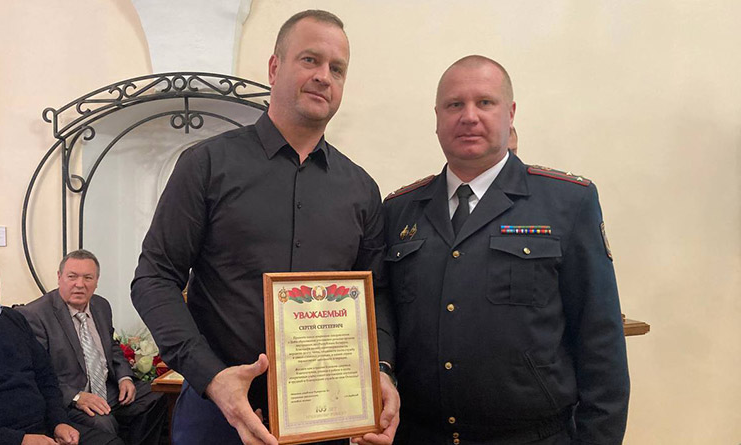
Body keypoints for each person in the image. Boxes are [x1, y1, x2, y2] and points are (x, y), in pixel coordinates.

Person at [131, 9, 398, 445]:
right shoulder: (206, 165)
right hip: (217, 414)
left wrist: (381, 371)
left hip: (327, 419)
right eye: (310, 60)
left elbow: (376, 295)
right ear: (274, 68)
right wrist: (211, 376)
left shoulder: (361, 189)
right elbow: (153, 278)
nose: (324, 76)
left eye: (337, 69)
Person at [376, 55, 630, 444]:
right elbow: (385, 315)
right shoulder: (400, 210)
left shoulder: (567, 202)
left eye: (485, 102)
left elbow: (601, 339)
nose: (469, 116)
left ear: (510, 113)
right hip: (419, 434)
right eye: (454, 104)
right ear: (437, 118)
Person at [0, 253, 122, 445]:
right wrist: (21, 440)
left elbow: (46, 378)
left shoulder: (13, 319)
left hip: (44, 428)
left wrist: (59, 422)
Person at [18, 250, 166, 445]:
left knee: (158, 394)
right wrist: (76, 397)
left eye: (88, 278)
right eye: (72, 277)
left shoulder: (101, 305)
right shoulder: (35, 315)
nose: (80, 284)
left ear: (96, 281)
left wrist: (124, 377)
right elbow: (39, 373)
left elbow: (112, 347)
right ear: (59, 277)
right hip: (69, 397)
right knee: (102, 423)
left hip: (107, 389)